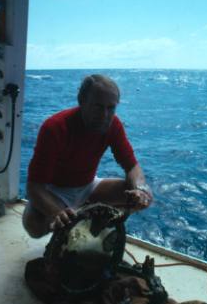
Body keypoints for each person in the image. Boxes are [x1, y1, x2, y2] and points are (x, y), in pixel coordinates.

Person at [22, 74, 153, 238]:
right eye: (98, 107)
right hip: (56, 191)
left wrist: (139, 189)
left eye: (111, 108)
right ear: (81, 101)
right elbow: (34, 187)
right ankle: (79, 219)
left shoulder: (113, 125)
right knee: (34, 226)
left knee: (144, 197)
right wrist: (58, 212)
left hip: (88, 187)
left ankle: (92, 222)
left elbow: (132, 167)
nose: (105, 115)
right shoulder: (55, 127)